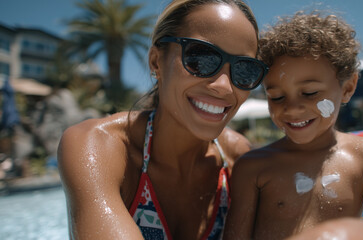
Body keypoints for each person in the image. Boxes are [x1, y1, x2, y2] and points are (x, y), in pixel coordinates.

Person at [57, 0, 269, 239]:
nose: (224, 87)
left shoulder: (237, 160)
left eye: (245, 70)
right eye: (202, 58)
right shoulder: (99, 148)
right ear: (156, 61)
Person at [223, 11, 363, 240]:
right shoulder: (253, 167)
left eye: (309, 93)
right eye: (277, 97)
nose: (292, 109)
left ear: (348, 87)